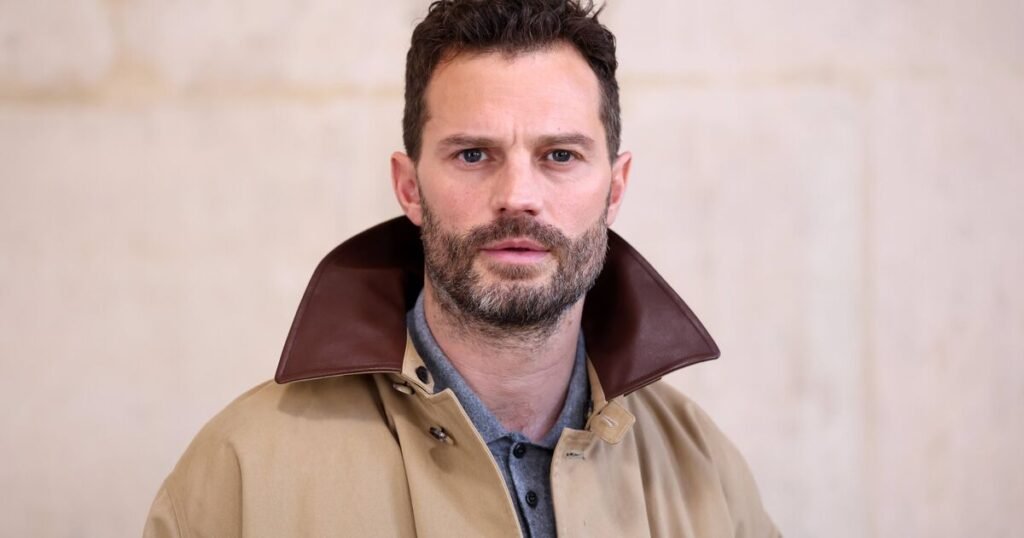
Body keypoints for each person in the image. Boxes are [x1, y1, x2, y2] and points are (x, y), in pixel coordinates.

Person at [144, 1, 779, 536]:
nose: (518, 196)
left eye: (560, 155)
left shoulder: (707, 477)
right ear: (409, 187)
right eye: (474, 154)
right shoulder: (241, 477)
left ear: (615, 188)